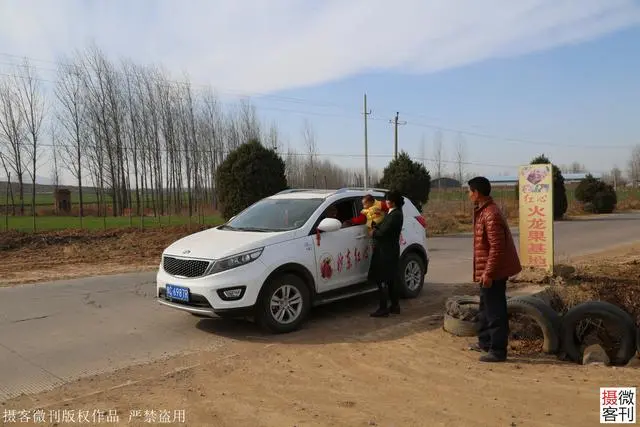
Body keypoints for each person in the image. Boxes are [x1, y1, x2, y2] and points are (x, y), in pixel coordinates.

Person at [467, 176, 522, 363]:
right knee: (485, 308)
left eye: (470, 192)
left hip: (494, 271)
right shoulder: (483, 211)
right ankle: (485, 343)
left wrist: (488, 273)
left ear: (477, 193)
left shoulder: (490, 214)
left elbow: (497, 248)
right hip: (488, 271)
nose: (468, 195)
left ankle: (498, 351)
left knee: (495, 310)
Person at [367, 190, 404, 317]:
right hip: (387, 250)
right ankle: (394, 306)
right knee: (390, 280)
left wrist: (374, 232)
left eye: (389, 200)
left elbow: (384, 232)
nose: (386, 202)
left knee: (381, 279)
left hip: (386, 251)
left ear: (394, 202)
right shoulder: (391, 213)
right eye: (387, 199)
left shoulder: (396, 215)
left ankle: (383, 308)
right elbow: (383, 227)